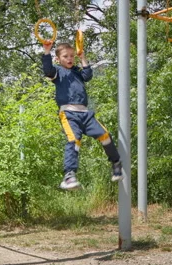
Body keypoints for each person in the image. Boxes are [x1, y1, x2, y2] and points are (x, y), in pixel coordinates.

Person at [41, 41, 123, 190]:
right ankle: (69, 175)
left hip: (85, 114)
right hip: (69, 114)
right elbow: (47, 70)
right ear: (58, 59)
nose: (70, 58)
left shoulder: (77, 71)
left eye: (72, 56)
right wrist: (46, 51)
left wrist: (83, 57)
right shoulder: (58, 72)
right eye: (65, 56)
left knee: (104, 135)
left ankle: (116, 163)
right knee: (74, 140)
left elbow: (88, 75)